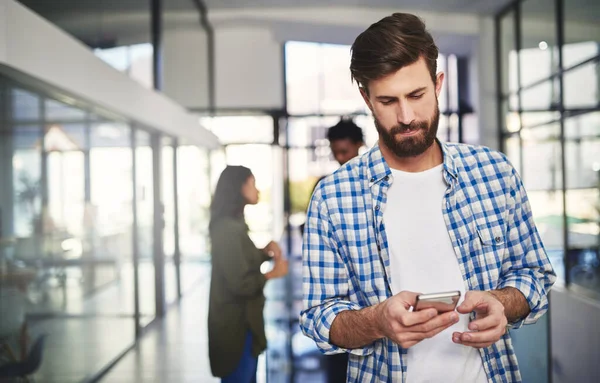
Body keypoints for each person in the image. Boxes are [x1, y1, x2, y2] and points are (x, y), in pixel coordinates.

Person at [300, 12, 556, 383]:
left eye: (417, 95)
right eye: (388, 101)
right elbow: (318, 317)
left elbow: (534, 274)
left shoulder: (494, 172)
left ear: (437, 83)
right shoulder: (333, 197)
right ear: (366, 98)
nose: (406, 116)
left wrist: (502, 303)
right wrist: (377, 321)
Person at [208, 165, 288, 383]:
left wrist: (264, 252)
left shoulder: (234, 224)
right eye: (252, 184)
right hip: (235, 327)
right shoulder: (227, 229)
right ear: (238, 187)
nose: (257, 190)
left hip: (244, 324)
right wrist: (272, 274)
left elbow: (239, 261)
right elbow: (239, 283)